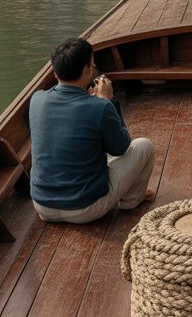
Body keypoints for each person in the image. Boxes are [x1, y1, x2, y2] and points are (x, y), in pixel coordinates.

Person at [29, 37, 155, 223]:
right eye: (93, 66)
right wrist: (107, 101)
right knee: (144, 146)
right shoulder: (100, 107)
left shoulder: (36, 99)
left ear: (55, 72)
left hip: (43, 206)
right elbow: (121, 147)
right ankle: (130, 201)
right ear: (87, 70)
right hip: (84, 209)